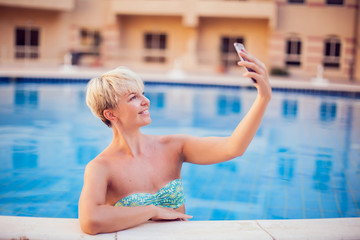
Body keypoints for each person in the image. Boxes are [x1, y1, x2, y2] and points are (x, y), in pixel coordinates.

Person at [78, 49, 272, 235]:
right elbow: (90, 220)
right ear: (110, 114)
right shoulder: (100, 167)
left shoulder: (173, 147)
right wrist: (152, 211)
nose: (146, 100)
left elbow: (233, 148)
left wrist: (263, 98)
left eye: (142, 93)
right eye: (133, 97)